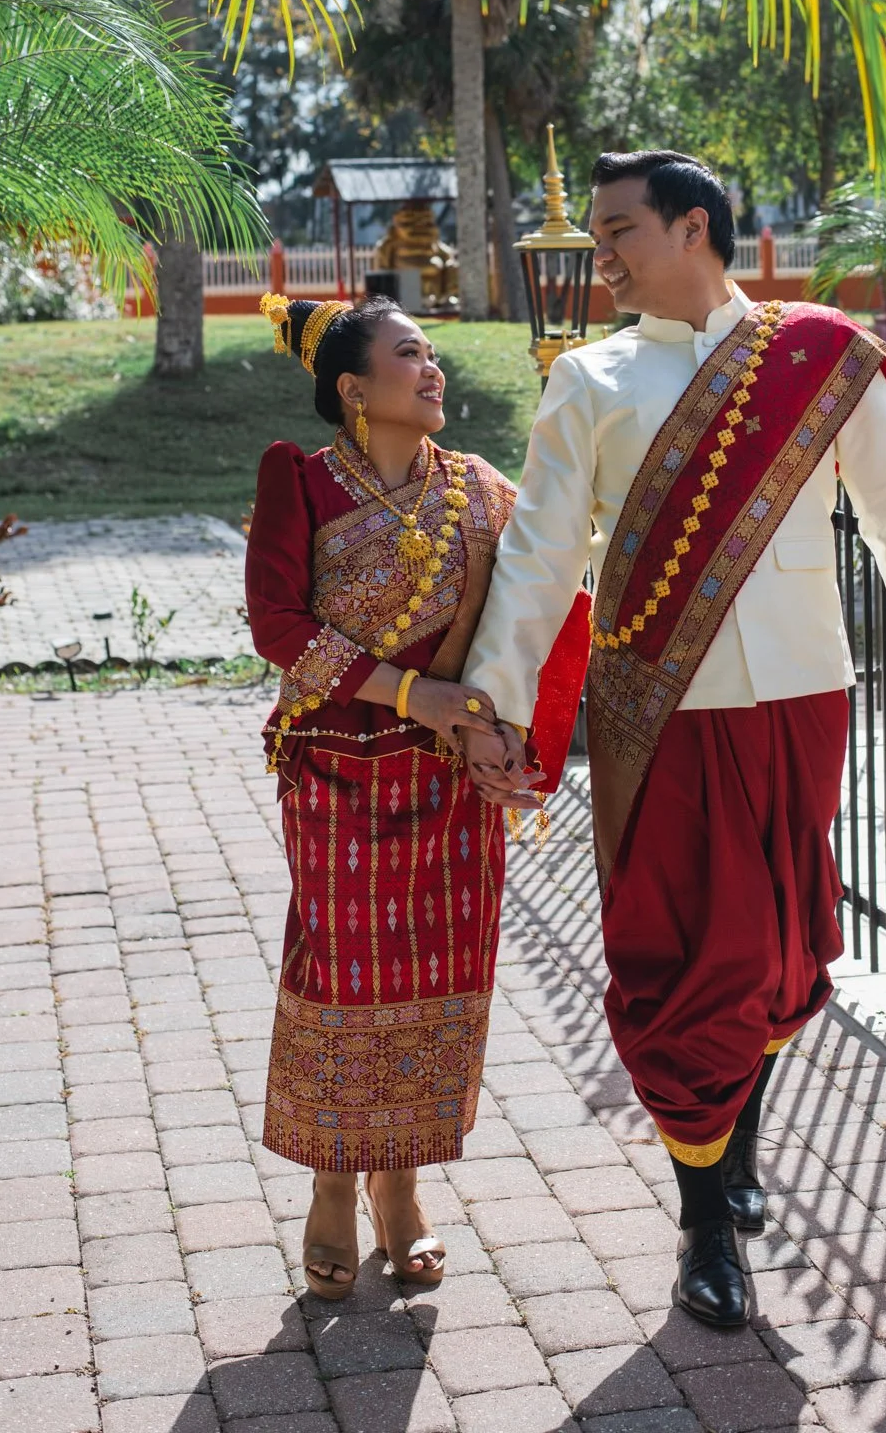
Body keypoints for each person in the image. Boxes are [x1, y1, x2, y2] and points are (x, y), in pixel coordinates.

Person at [463, 151, 886, 1328]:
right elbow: (542, 555)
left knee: (782, 950)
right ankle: (705, 1217)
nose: (600, 255)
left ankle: (727, 1144)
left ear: (692, 226)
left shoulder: (818, 356)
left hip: (804, 692)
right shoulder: (587, 378)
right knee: (687, 954)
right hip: (662, 715)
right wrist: (496, 697)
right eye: (597, 235)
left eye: (619, 232)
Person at [245, 292, 586, 1300]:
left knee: (441, 978)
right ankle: (334, 1183)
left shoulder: (479, 488)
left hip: (449, 782)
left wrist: (498, 728)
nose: (432, 370)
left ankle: (403, 1185)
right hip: (337, 769)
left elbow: (541, 612)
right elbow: (275, 624)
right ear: (354, 388)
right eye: (409, 355)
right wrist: (411, 690)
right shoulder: (299, 483)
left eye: (433, 353)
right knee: (344, 976)